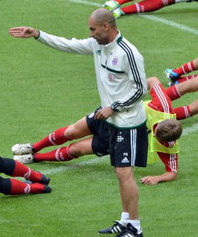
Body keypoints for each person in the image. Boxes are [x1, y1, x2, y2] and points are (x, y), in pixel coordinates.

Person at [9, 8, 148, 237]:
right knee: (119, 173)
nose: (91, 34)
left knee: (125, 174)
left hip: (127, 124)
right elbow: (69, 44)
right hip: (109, 120)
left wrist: (114, 106)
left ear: (106, 26)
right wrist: (38, 34)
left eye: (93, 29)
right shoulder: (98, 46)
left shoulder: (128, 53)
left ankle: (135, 228)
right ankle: (125, 220)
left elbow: (140, 89)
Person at [12, 76, 182, 186]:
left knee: (76, 150)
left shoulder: (169, 143)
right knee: (71, 132)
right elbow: (152, 80)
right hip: (109, 116)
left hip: (117, 140)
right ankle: (34, 147)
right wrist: (130, 94)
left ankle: (34, 158)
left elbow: (172, 173)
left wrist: (157, 178)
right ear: (161, 123)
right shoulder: (162, 105)